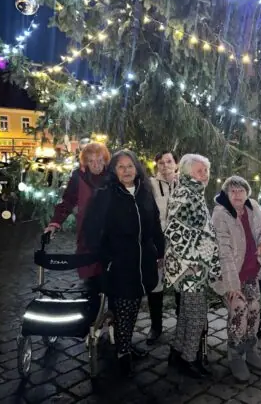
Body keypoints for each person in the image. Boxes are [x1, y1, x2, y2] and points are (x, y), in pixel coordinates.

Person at [82, 150, 164, 376]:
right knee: (124, 307)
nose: (126, 171)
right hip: (120, 264)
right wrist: (107, 256)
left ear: (137, 169)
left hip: (143, 261)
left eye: (130, 166)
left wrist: (159, 250)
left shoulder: (144, 192)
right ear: (114, 171)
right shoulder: (105, 195)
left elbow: (155, 224)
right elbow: (91, 231)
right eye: (121, 166)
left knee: (132, 306)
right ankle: (123, 352)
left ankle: (124, 343)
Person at [211, 176, 261, 382]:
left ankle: (251, 349)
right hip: (228, 276)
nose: (237, 194)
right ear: (226, 194)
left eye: (241, 190)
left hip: (250, 273)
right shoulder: (220, 214)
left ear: (247, 193)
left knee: (255, 307)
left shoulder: (253, 207)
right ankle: (235, 354)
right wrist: (233, 286)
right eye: (232, 191)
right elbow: (223, 252)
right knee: (240, 308)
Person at [163, 153, 222, 378]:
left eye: (206, 170)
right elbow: (175, 231)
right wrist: (196, 261)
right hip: (191, 268)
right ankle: (188, 360)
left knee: (187, 314)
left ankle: (177, 353)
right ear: (189, 173)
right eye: (200, 171)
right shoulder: (187, 194)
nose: (205, 174)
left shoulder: (192, 192)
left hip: (191, 267)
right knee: (197, 317)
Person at [44, 142, 110, 285]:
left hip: (110, 234)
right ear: (85, 162)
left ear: (105, 160)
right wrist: (55, 223)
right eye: (91, 161)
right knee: (91, 278)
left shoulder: (112, 175)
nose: (96, 165)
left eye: (99, 160)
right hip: (87, 234)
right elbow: (68, 201)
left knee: (111, 279)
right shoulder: (79, 176)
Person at [146, 151, 179, 346]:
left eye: (169, 161)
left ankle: (182, 326)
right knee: (156, 284)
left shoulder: (184, 185)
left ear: (176, 164)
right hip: (157, 242)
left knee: (180, 284)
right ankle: (156, 326)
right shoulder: (150, 185)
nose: (165, 165)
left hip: (179, 244)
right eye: (161, 162)